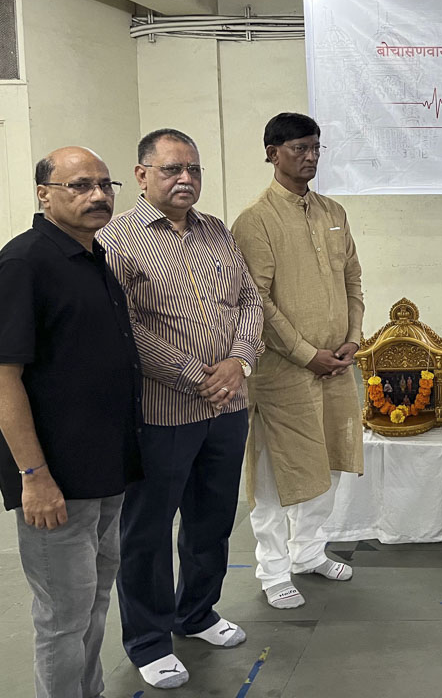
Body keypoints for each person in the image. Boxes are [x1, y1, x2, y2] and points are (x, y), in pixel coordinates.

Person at [98, 128, 263, 689]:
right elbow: (126, 328)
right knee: (147, 530)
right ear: (142, 175)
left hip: (228, 407)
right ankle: (148, 640)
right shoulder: (116, 241)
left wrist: (239, 361)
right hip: (162, 413)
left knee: (212, 518)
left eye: (192, 168)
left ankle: (197, 612)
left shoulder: (216, 231)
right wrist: (197, 375)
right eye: (172, 169)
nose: (185, 179)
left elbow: (248, 299)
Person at [0, 147, 142, 698]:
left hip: (105, 471)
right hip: (55, 481)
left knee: (94, 601)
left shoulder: (95, 257)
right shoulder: (24, 264)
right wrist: (34, 476)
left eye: (104, 184)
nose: (97, 195)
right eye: (79, 185)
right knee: (62, 616)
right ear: (44, 195)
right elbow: (4, 380)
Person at [231, 112, 365, 610]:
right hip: (283, 374)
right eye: (299, 149)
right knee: (275, 472)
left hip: (336, 367)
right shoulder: (256, 220)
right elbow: (256, 302)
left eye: (315, 148)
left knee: (327, 463)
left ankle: (308, 552)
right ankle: (273, 569)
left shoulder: (333, 211)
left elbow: (353, 280)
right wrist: (308, 355)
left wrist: (353, 339)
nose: (310, 157)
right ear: (272, 153)